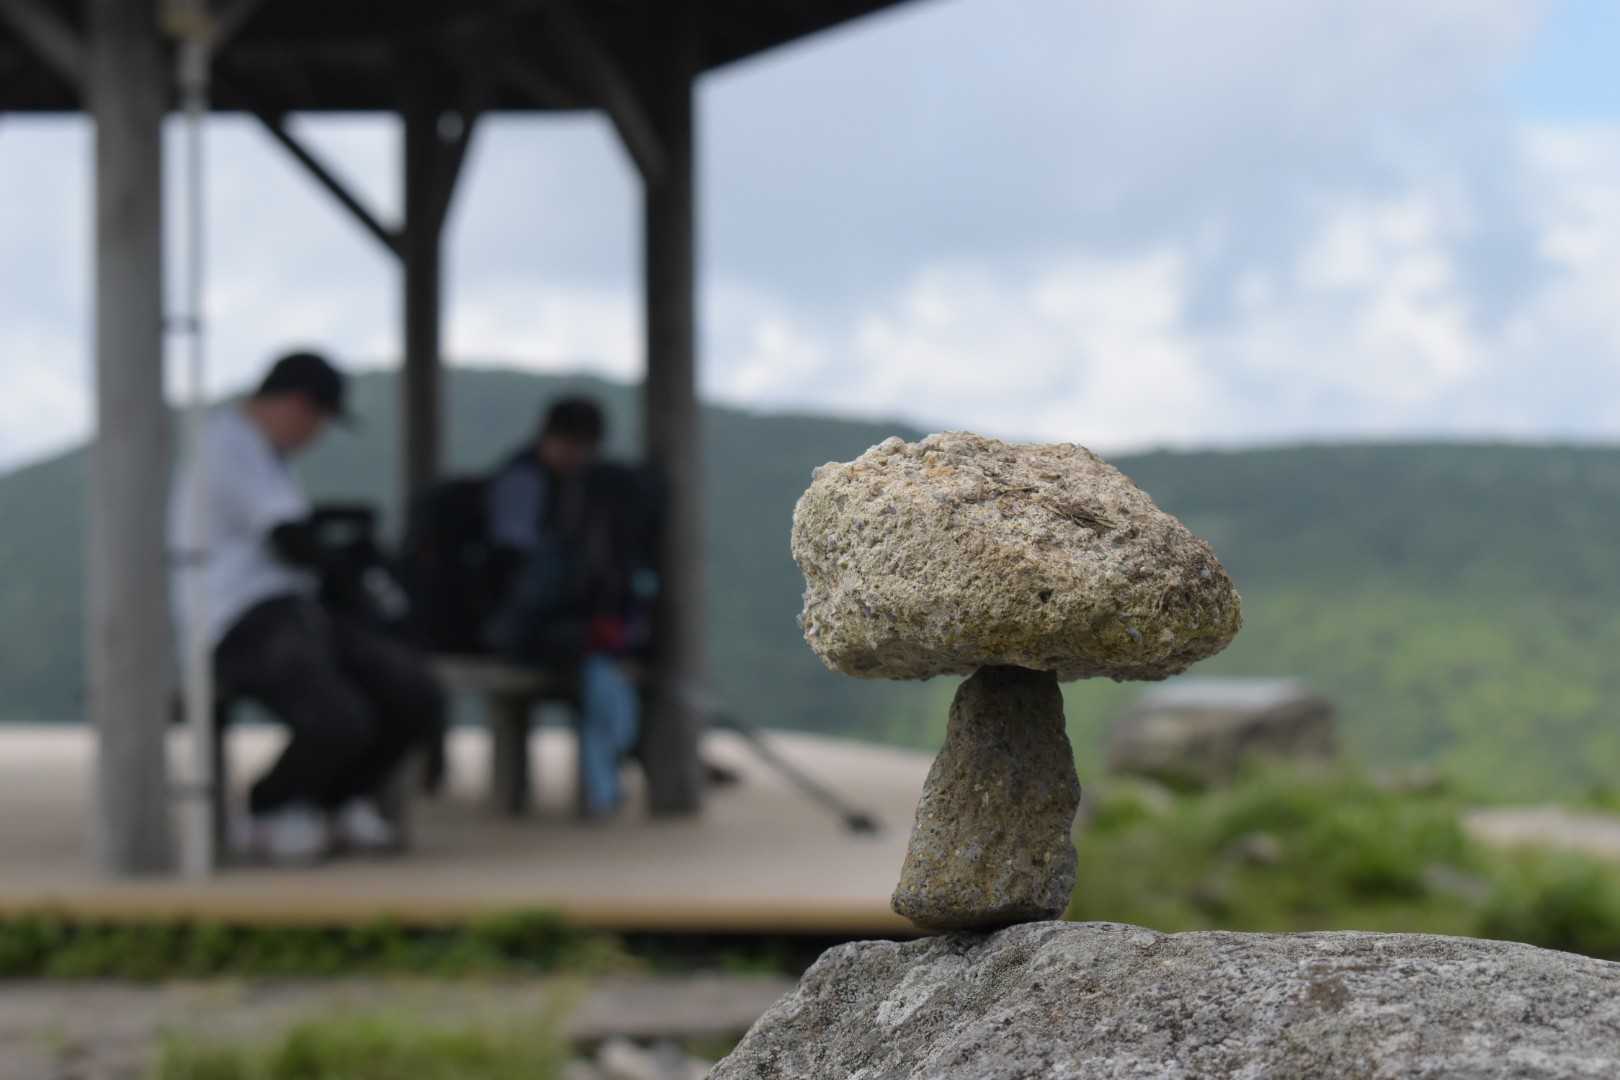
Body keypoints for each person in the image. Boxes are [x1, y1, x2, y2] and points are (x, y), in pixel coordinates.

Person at [169, 350, 445, 864]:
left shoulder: (264, 454)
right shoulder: (228, 445)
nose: (316, 435)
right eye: (320, 420)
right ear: (298, 405)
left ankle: (338, 801)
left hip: (293, 610)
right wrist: (352, 571)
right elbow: (289, 538)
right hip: (236, 620)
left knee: (411, 690)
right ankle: (270, 808)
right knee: (337, 715)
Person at [482, 397, 645, 818]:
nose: (578, 458)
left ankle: (607, 778)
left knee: (600, 673)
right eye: (573, 447)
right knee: (597, 673)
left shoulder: (581, 486)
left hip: (567, 629)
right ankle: (605, 783)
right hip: (525, 628)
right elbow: (513, 565)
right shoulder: (523, 482)